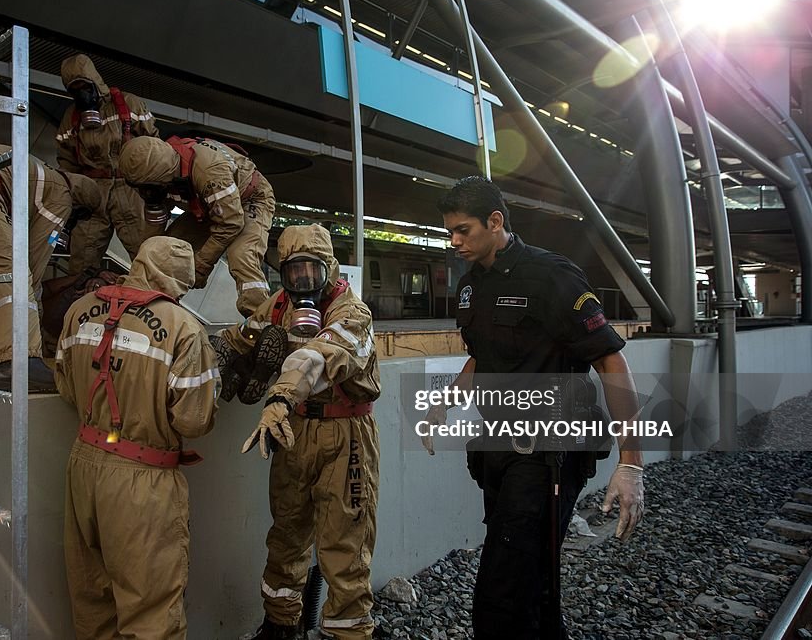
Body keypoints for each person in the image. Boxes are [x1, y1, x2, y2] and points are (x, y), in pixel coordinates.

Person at [425, 177, 645, 639]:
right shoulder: (471, 286)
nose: (455, 241)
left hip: (550, 454)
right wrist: (444, 402)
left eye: (463, 230)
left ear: (496, 221)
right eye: (450, 231)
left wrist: (631, 464)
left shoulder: (552, 276)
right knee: (534, 581)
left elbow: (610, 358)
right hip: (500, 452)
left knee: (501, 594)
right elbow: (483, 357)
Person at [213, 224, 380, 640]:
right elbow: (243, 333)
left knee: (343, 546)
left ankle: (348, 633)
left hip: (345, 434)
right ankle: (280, 624)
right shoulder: (280, 305)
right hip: (293, 426)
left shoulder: (351, 312)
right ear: (282, 275)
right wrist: (216, 356)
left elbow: (319, 356)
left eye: (312, 272)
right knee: (286, 533)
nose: (303, 283)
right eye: (293, 274)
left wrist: (279, 397)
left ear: (330, 269)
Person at [55, 235, 220, 640]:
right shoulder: (183, 327)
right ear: (179, 280)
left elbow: (65, 385)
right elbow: (193, 420)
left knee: (93, 602)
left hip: (84, 466)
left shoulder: (80, 311)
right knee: (150, 611)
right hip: (141, 480)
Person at [0, 141, 102, 391]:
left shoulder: (38, 177)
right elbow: (33, 264)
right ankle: (19, 363)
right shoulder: (61, 194)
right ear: (80, 203)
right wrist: (37, 325)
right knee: (13, 270)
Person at [118, 135, 275, 317]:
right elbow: (155, 237)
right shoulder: (156, 169)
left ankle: (260, 322)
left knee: (241, 256)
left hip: (249, 198)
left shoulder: (209, 171)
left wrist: (201, 266)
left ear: (165, 177)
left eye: (149, 188)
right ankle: (153, 308)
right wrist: (146, 258)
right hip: (209, 205)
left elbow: (230, 223)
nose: (145, 194)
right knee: (167, 250)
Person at [56, 54, 161, 272]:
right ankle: (81, 302)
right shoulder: (71, 117)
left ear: (95, 82)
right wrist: (74, 196)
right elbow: (67, 161)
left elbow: (154, 147)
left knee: (149, 256)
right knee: (82, 261)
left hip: (131, 188)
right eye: (74, 90)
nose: (82, 94)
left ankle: (158, 302)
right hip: (92, 192)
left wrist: (154, 186)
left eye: (85, 86)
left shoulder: (128, 104)